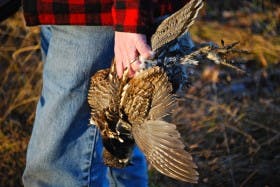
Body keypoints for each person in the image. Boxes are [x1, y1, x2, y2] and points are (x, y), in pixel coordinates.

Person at [21, 0, 189, 186]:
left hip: (97, 16)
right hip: (57, 10)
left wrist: (130, 21)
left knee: (58, 169)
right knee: (120, 141)